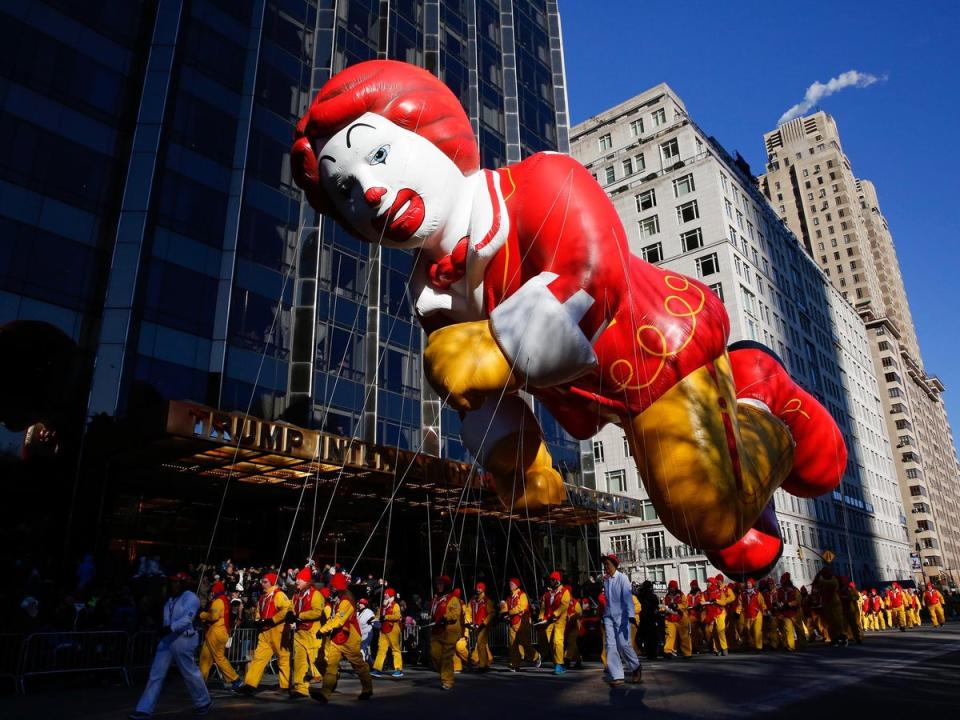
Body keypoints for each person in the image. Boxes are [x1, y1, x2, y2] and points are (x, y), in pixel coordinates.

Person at [291, 59, 849, 584]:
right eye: (346, 191)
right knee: (737, 540)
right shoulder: (433, 296)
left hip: (659, 352)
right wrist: (517, 461)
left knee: (713, 510)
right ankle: (736, 495)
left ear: (429, 133)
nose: (367, 191)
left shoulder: (540, 184)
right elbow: (477, 398)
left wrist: (494, 349)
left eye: (380, 156)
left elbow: (591, 277)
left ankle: (757, 387)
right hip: (593, 400)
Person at [129, 572, 211, 719]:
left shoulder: (191, 598)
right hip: (168, 638)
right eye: (173, 582)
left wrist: (169, 628)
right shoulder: (170, 600)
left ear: (184, 583)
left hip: (184, 639)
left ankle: (203, 702)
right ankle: (144, 709)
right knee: (156, 673)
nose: (174, 585)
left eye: (178, 582)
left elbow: (187, 619)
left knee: (189, 673)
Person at [311, 572, 373, 703]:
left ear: (337, 586)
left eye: (333, 585)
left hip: (349, 638)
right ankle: (325, 693)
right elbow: (333, 618)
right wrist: (324, 629)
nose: (331, 587)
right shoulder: (339, 598)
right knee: (331, 666)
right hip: (337, 637)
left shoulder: (346, 601)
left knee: (358, 665)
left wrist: (323, 630)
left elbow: (339, 620)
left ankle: (367, 689)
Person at [236, 572, 291, 694]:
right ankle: (250, 684)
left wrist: (273, 620)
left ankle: (285, 685)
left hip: (278, 631)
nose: (262, 583)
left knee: (283, 658)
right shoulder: (263, 597)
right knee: (258, 659)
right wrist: (258, 621)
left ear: (272, 582)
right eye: (262, 581)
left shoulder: (279, 594)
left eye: (265, 581)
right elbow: (258, 612)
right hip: (265, 633)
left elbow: (287, 608)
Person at [600, 554, 640, 686]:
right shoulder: (606, 580)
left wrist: (631, 616)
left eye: (608, 564)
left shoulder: (622, 578)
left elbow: (628, 598)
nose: (606, 567)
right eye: (605, 564)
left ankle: (635, 667)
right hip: (608, 617)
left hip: (622, 617)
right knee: (610, 646)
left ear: (614, 565)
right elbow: (606, 599)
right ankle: (617, 675)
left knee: (624, 645)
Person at [290, 568, 325, 699]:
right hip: (299, 633)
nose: (297, 580)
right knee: (299, 662)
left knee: (316, 661)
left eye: (300, 579)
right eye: (297, 578)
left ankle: (329, 683)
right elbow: (291, 608)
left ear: (306, 581)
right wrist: (290, 615)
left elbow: (317, 612)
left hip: (312, 632)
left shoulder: (316, 594)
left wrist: (300, 615)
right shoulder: (296, 594)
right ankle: (301, 689)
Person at [198, 580, 240, 688]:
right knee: (205, 657)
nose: (211, 592)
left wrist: (202, 614)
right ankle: (200, 681)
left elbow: (213, 616)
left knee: (219, 658)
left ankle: (235, 679)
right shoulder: (223, 600)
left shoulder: (218, 601)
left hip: (216, 632)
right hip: (215, 632)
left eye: (213, 589)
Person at [429, 575, 462, 690]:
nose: (439, 586)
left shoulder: (452, 598)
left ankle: (448, 680)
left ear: (446, 585)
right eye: (438, 584)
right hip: (437, 630)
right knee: (435, 654)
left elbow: (455, 614)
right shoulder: (436, 599)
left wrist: (445, 617)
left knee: (447, 657)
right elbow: (433, 613)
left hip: (449, 630)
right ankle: (444, 673)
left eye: (441, 584)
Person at [456, 582, 496, 672]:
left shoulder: (487, 601)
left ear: (483, 589)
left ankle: (482, 666)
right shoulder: (473, 601)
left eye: (480, 588)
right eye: (477, 588)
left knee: (481, 643)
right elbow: (468, 611)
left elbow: (492, 613)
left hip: (484, 626)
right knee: (482, 643)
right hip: (476, 625)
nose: (478, 590)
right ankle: (487, 661)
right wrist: (469, 621)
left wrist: (485, 623)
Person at [538, 571, 571, 675]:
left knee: (557, 641)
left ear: (557, 580)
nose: (550, 581)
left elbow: (564, 605)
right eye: (550, 580)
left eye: (552, 580)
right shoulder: (547, 593)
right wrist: (540, 617)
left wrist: (555, 614)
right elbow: (543, 607)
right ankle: (555, 661)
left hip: (559, 620)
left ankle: (559, 664)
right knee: (549, 642)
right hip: (548, 620)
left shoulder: (565, 591)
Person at [505, 577, 540, 671]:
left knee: (525, 643)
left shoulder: (522, 595)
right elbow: (508, 609)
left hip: (522, 622)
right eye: (509, 583)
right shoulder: (509, 597)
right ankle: (515, 664)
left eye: (512, 584)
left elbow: (521, 607)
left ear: (516, 585)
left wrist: (510, 612)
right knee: (513, 644)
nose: (510, 585)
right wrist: (506, 614)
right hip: (512, 622)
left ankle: (536, 656)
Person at [372, 587, 404, 677]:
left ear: (390, 595)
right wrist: (374, 618)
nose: (385, 595)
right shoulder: (383, 606)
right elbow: (378, 616)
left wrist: (386, 617)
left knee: (395, 649)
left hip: (393, 629)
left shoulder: (395, 605)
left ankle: (399, 669)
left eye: (386, 593)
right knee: (381, 649)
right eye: (385, 593)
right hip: (383, 630)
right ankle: (377, 668)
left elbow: (397, 616)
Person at [662, 580, 692, 658]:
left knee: (684, 636)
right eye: (670, 587)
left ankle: (687, 653)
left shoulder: (681, 595)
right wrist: (662, 609)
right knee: (669, 635)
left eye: (672, 587)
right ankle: (667, 651)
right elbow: (664, 605)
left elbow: (685, 604)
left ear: (676, 587)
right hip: (670, 618)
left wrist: (677, 606)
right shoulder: (667, 596)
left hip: (681, 618)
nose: (671, 588)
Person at [702, 576, 730, 656]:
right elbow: (702, 601)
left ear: (713, 583)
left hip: (719, 613)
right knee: (713, 632)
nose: (707, 584)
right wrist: (705, 603)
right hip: (710, 614)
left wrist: (716, 601)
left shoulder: (719, 591)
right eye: (707, 582)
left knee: (720, 631)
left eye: (709, 582)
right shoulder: (705, 592)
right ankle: (718, 648)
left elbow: (724, 602)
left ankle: (724, 648)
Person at [739, 578, 765, 651]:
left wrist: (765, 611)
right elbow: (740, 604)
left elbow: (762, 603)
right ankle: (752, 644)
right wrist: (737, 612)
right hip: (747, 615)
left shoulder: (757, 593)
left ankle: (758, 647)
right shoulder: (743, 594)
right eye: (747, 583)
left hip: (757, 614)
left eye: (749, 583)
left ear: (752, 584)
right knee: (748, 630)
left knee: (757, 630)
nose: (748, 584)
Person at [563, 585, 584, 668]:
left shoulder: (574, 602)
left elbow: (579, 613)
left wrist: (572, 616)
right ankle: (578, 659)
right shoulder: (561, 601)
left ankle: (567, 659)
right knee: (572, 644)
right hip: (564, 626)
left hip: (573, 626)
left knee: (571, 642)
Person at [357, 597, 376, 662]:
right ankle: (372, 664)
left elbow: (375, 621)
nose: (360, 605)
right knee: (366, 652)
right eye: (360, 603)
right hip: (360, 634)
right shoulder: (357, 613)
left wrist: (372, 620)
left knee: (362, 650)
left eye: (362, 604)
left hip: (367, 633)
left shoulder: (368, 612)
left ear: (365, 605)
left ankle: (362, 667)